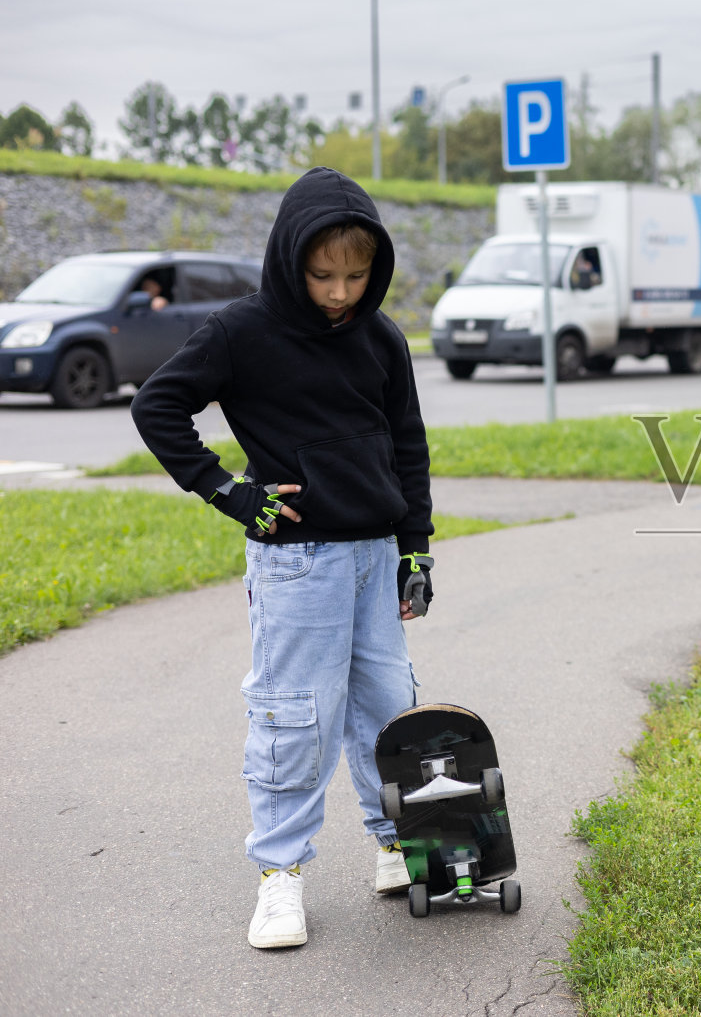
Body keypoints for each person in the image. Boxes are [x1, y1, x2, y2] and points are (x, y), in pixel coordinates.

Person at [130, 166, 434, 950]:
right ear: (291, 259)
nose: (339, 293)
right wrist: (229, 491)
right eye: (323, 275)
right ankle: (280, 873)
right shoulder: (241, 332)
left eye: (357, 277)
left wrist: (417, 549)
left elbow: (408, 444)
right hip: (297, 563)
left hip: (375, 556)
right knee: (296, 715)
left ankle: (394, 844)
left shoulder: (382, 337)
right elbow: (157, 405)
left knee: (388, 709)